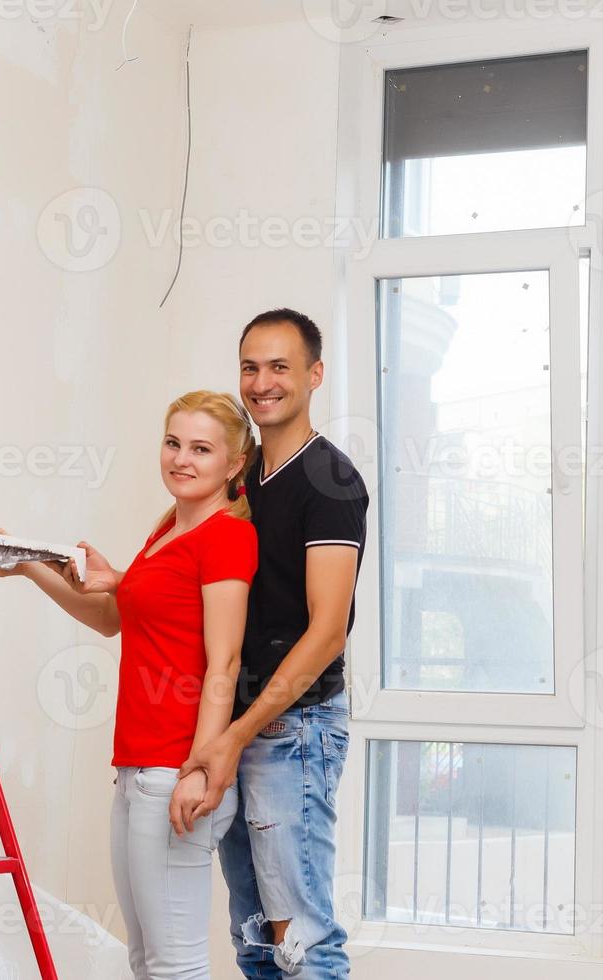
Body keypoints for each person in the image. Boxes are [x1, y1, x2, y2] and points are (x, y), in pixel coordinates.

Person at [0, 391, 258, 980]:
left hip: (175, 771)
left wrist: (200, 769)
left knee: (174, 965)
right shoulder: (167, 528)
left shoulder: (228, 537)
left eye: (201, 449)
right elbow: (111, 618)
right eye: (173, 443)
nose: (182, 459)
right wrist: (25, 563)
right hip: (136, 767)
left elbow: (225, 662)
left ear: (234, 464)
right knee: (146, 960)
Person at [179, 309, 369, 978]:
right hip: (241, 724)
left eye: (280, 367)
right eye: (250, 368)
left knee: (301, 939)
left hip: (294, 728)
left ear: (315, 375)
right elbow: (176, 551)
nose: (262, 383)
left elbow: (327, 632)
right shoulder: (244, 470)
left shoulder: (331, 483)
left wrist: (239, 734)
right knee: (256, 937)